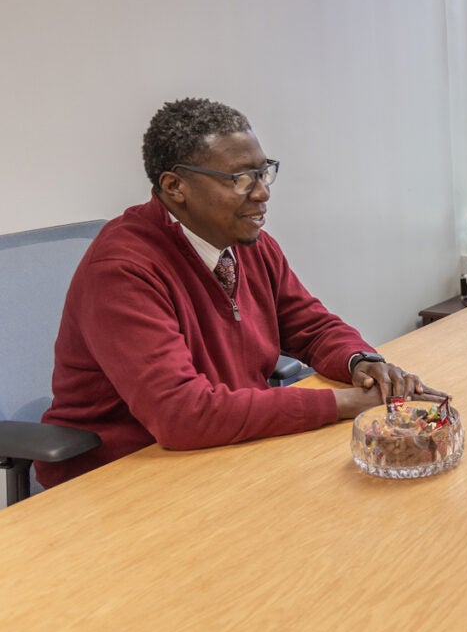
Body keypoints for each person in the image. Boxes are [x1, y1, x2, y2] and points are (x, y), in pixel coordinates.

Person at [36, 98, 446, 488]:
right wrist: (346, 404)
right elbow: (181, 414)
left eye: (263, 172)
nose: (262, 192)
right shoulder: (123, 270)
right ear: (175, 186)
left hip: (223, 452)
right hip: (123, 475)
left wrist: (361, 363)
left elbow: (311, 326)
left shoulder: (247, 244)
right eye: (240, 179)